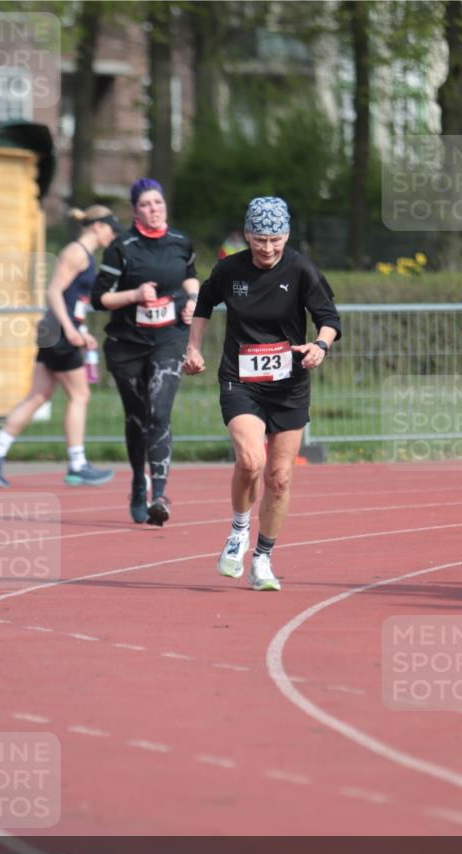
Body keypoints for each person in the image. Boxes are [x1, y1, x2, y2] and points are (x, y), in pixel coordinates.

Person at [183, 196, 341, 591]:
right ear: (247, 236)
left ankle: (264, 558)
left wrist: (319, 346)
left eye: (275, 239)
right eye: (259, 239)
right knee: (251, 461)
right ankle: (238, 532)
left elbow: (329, 319)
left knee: (280, 477)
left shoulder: (301, 268)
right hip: (241, 379)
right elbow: (203, 302)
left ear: (286, 235)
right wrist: (194, 347)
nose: (267, 248)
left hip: (288, 385)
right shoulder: (229, 269)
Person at [0, 205, 120, 488]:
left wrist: (80, 329)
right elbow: (53, 291)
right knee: (80, 395)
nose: (113, 236)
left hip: (55, 330)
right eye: (112, 229)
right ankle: (77, 464)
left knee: (38, 395)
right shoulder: (77, 253)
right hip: (56, 332)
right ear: (98, 226)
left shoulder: (85, 254)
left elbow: (70, 299)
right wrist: (68, 329)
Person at [91, 178, 199, 525]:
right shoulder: (123, 247)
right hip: (128, 345)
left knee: (160, 412)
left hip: (169, 339)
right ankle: (139, 482)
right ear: (135, 210)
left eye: (158, 203)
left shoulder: (181, 242)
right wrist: (134, 295)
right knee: (138, 418)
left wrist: (193, 301)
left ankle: (160, 495)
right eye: (145, 205)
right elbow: (100, 298)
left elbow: (191, 277)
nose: (153, 209)